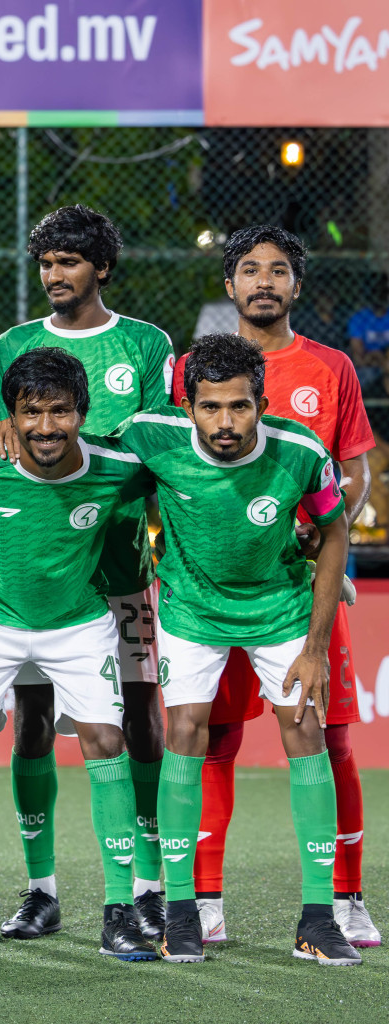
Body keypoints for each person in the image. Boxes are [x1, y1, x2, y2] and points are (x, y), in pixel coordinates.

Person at [0, 348, 154, 960]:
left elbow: (186, 463)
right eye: (31, 413)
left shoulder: (118, 466)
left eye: (61, 412)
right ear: (9, 416)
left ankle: (119, 910)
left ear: (83, 412)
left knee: (106, 740)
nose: (46, 427)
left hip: (78, 622)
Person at [119, 333, 358, 966]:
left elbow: (333, 534)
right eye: (211, 407)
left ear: (262, 401)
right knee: (187, 733)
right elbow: (78, 464)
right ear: (187, 405)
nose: (226, 423)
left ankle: (318, 917)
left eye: (241, 407)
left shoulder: (300, 451)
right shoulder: (151, 434)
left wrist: (313, 646)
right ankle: (181, 913)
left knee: (306, 733)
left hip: (279, 607)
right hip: (191, 610)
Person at [173, 226, 379, 948]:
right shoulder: (189, 368)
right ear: (228, 285)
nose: (265, 281)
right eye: (249, 270)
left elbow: (353, 472)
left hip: (304, 588)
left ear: (298, 285)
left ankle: (345, 896)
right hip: (212, 588)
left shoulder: (332, 369)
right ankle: (201, 900)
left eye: (279, 270)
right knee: (214, 739)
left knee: (331, 739)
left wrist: (323, 529)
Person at [0, 205, 174, 941]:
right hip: (37, 568)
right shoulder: (14, 344)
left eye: (68, 262)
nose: (55, 276)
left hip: (121, 563)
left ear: (101, 266)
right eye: (46, 263)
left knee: (138, 715)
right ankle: (41, 889)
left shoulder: (145, 343)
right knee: (32, 720)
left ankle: (149, 884)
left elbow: (155, 446)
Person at [347, 273, 389, 395]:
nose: (380, 296)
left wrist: (382, 358)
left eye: (384, 291)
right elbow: (358, 358)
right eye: (376, 291)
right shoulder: (359, 318)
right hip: (367, 367)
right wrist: (377, 358)